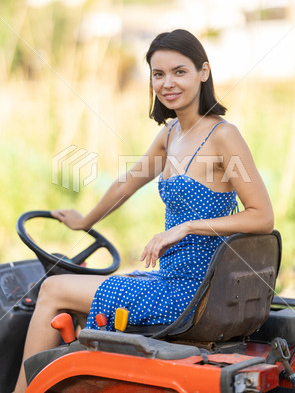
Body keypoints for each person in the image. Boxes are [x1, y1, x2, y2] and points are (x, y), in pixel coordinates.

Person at [14, 29, 274, 392]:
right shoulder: (170, 135)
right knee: (72, 302)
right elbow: (127, 183)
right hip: (167, 279)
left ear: (203, 72)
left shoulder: (223, 136)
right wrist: (84, 221)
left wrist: (186, 227)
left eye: (179, 72)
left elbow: (262, 216)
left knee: (53, 289)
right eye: (158, 74)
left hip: (189, 292)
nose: (167, 83)